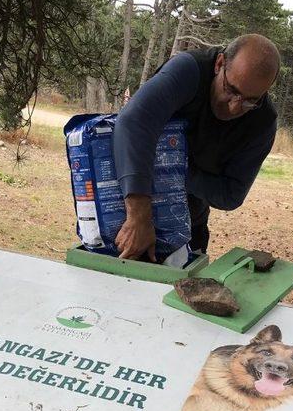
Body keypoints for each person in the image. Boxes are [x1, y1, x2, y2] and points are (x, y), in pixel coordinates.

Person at [112, 33, 280, 260]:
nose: (233, 108)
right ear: (220, 64)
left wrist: (174, 172)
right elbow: (133, 123)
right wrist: (139, 216)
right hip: (128, 218)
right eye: (231, 90)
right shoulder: (188, 70)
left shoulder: (263, 121)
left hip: (189, 227)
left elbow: (231, 195)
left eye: (250, 100)